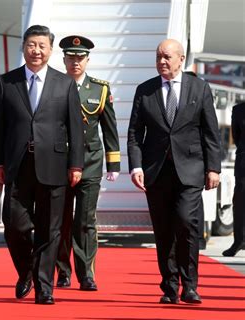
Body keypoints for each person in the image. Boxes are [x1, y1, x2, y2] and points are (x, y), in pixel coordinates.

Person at [0, 25, 83, 305]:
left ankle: (45, 287)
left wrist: (76, 164)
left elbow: (75, 128)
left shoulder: (64, 82)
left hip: (54, 164)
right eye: (31, 45)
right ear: (24, 47)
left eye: (42, 45)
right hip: (18, 166)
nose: (36, 51)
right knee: (14, 226)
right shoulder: (8, 82)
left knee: (50, 229)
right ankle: (27, 271)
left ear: (50, 49)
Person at [127, 38, 221, 304]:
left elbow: (210, 132)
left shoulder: (199, 88)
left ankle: (190, 285)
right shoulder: (145, 91)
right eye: (158, 57)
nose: (162, 62)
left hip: (190, 170)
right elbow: (135, 133)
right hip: (156, 172)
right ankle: (169, 287)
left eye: (167, 57)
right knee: (164, 230)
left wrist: (213, 167)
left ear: (181, 59)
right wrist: (136, 166)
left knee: (186, 223)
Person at [56, 35, 120, 291]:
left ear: (87, 60)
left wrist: (113, 164)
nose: (75, 63)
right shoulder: (55, 85)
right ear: (63, 60)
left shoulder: (100, 89)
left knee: (85, 220)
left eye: (80, 58)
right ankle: (62, 271)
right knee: (61, 220)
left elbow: (110, 128)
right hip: (60, 162)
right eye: (71, 58)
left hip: (91, 162)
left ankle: (86, 274)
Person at [223, 101, 245, 256]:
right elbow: (236, 136)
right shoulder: (238, 110)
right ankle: (239, 241)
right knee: (240, 202)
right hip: (244, 163)